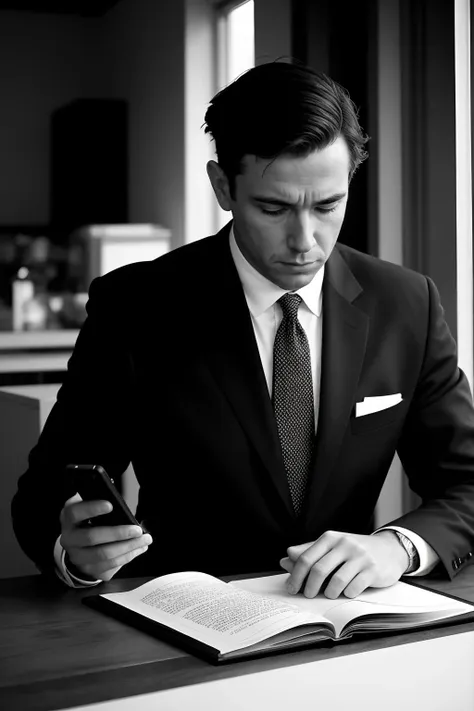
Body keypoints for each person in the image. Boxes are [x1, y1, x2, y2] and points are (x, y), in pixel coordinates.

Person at [11, 61, 474, 600]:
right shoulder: (135, 306)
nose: (306, 241)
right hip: (182, 624)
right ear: (222, 187)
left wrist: (398, 546)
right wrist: (74, 551)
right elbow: (42, 497)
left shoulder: (406, 303)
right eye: (273, 208)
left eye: (328, 205)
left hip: (345, 626)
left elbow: (466, 482)